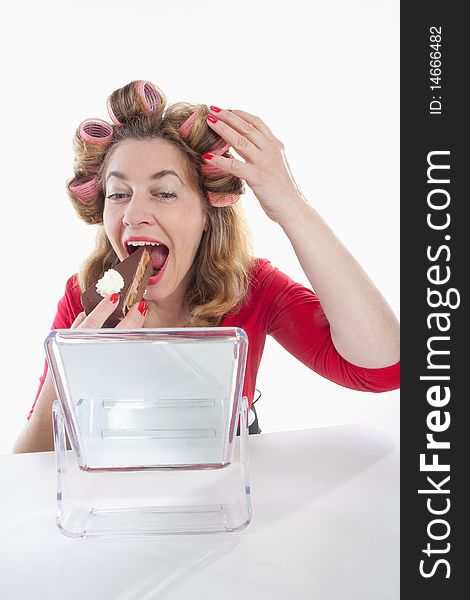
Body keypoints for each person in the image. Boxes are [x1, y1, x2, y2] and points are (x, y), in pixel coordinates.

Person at [13, 80, 400, 453]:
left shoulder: (252, 288)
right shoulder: (85, 300)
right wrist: (68, 376)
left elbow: (382, 369)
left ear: (206, 212)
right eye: (118, 194)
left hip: (229, 501)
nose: (133, 214)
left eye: (164, 193)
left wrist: (290, 207)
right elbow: (30, 467)